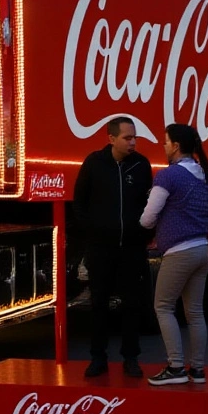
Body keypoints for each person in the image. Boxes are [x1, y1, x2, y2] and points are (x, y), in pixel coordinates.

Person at [72, 116, 154, 378]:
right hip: (101, 249)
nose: (133, 143)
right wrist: (93, 233)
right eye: (127, 138)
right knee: (99, 304)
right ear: (111, 139)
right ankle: (98, 358)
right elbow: (79, 203)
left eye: (135, 138)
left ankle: (131, 358)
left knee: (133, 304)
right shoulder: (94, 163)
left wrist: (143, 233)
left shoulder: (141, 165)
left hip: (132, 248)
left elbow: (149, 202)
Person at [140, 123, 208, 386]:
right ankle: (199, 369)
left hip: (178, 251)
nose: (163, 146)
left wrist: (145, 222)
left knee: (162, 306)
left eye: (166, 141)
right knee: (194, 312)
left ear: (176, 146)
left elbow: (148, 218)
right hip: (201, 249)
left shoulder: (168, 176)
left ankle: (176, 366)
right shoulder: (205, 173)